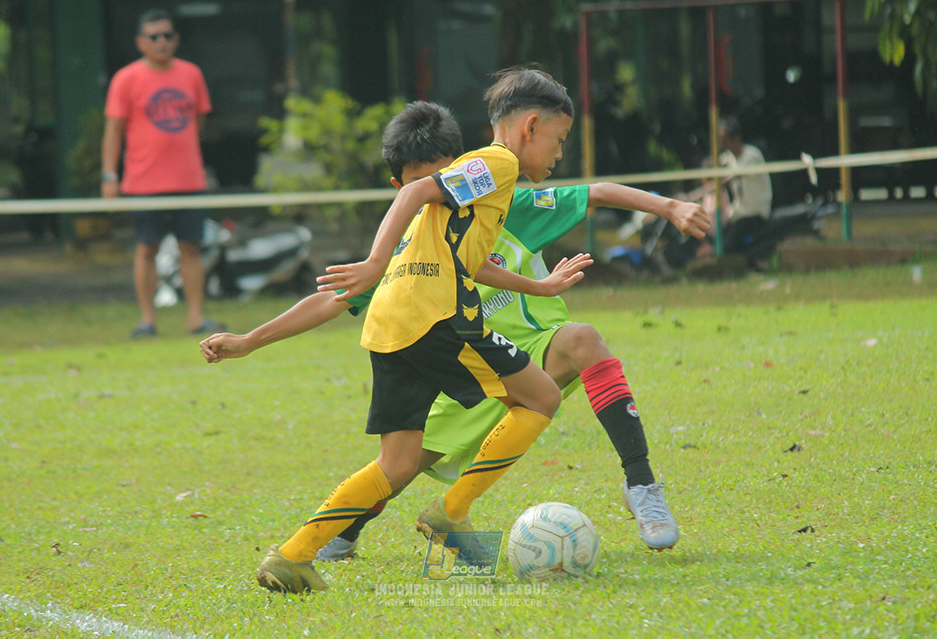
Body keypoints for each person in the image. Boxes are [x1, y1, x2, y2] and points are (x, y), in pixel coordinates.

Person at [200, 101, 711, 576]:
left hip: (509, 350)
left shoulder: (502, 196)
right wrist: (251, 339)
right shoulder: (409, 239)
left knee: (580, 342)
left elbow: (593, 193)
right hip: (448, 349)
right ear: (398, 183)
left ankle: (640, 483)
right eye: (423, 183)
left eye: (445, 178)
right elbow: (331, 300)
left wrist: (669, 206)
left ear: (462, 168)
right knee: (400, 465)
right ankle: (343, 533)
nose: (440, 193)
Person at [236, 67, 575, 594]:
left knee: (395, 462)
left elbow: (471, 258)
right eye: (559, 139)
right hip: (437, 316)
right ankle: (450, 512)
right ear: (532, 126)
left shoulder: (481, 175)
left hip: (391, 322)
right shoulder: (499, 162)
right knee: (541, 397)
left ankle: (293, 556)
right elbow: (411, 196)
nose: (558, 155)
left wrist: (540, 287)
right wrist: (372, 263)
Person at [101, 8, 225, 339]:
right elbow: (113, 131)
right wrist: (109, 176)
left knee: (191, 248)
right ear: (141, 42)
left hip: (188, 179)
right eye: (154, 37)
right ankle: (147, 320)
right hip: (144, 182)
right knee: (146, 248)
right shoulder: (125, 79)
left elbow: (198, 122)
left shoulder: (191, 74)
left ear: (177, 39)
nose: (162, 42)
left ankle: (196, 318)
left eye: (168, 35)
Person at [717, 115, 773, 255]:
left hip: (755, 211)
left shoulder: (752, 156)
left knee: (730, 245)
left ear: (735, 139)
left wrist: (713, 185)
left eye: (725, 140)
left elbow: (733, 177)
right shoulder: (728, 158)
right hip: (738, 212)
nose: (722, 144)